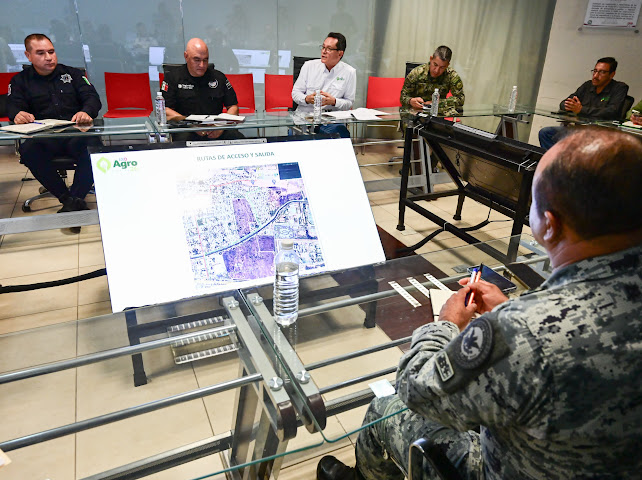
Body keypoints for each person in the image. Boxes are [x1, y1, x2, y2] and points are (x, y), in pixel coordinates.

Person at [316, 126, 642, 480]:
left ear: (549, 225)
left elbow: (417, 390)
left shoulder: (520, 333)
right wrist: (508, 309)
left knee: (384, 407)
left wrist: (444, 325)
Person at [7, 33, 102, 213]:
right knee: (28, 151)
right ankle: (67, 199)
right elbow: (12, 105)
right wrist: (18, 114)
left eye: (51, 52)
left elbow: (92, 98)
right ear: (28, 56)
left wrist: (86, 111)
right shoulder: (20, 81)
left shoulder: (74, 74)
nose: (48, 57)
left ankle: (75, 198)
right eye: (41, 53)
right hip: (43, 137)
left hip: (76, 134)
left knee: (94, 147)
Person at [161, 37, 244, 141]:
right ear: (186, 56)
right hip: (186, 128)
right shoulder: (173, 78)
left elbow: (233, 107)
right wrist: (191, 124)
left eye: (205, 60)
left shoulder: (218, 77)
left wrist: (221, 125)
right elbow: (165, 110)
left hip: (216, 128)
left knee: (238, 138)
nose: (202, 65)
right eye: (197, 60)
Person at [538, 57, 628, 150]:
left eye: (602, 72)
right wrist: (569, 106)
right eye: (595, 71)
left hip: (601, 134)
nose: (596, 76)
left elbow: (612, 111)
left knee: (576, 143)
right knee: (545, 133)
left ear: (612, 74)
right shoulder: (587, 85)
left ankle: (568, 158)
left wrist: (581, 110)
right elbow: (564, 103)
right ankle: (557, 159)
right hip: (579, 130)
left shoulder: (619, 88)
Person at [291, 32, 356, 138]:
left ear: (340, 54)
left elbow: (349, 102)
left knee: (340, 133)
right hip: (305, 118)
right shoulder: (309, 66)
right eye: (323, 47)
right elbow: (295, 93)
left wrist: (334, 101)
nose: (324, 51)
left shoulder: (349, 72)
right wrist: (307, 99)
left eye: (329, 49)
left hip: (330, 121)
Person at [400, 45, 465, 121]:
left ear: (447, 65)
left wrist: (438, 103)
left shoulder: (451, 75)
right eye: (435, 64)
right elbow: (403, 96)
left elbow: (460, 99)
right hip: (414, 115)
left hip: (437, 116)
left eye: (442, 67)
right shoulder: (416, 73)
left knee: (448, 127)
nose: (436, 70)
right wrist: (410, 100)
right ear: (431, 59)